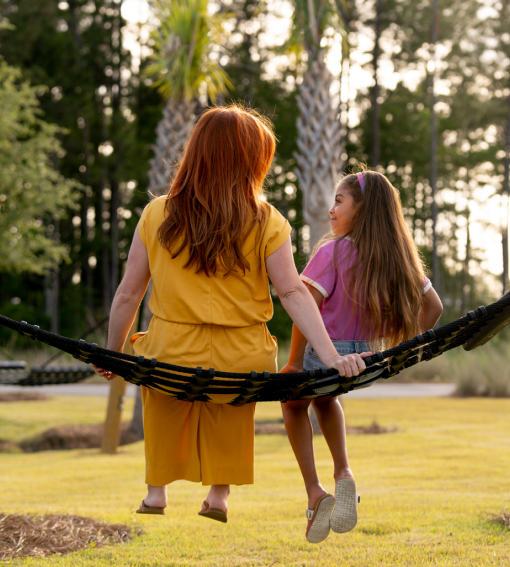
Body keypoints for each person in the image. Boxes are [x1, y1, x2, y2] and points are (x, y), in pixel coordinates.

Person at [92, 105, 369, 524]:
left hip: (174, 350)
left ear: (196, 152)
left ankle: (157, 490)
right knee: (232, 393)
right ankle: (218, 495)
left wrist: (112, 353)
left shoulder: (156, 213)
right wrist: (330, 356)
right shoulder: (266, 220)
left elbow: (129, 293)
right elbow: (293, 292)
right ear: (251, 162)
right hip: (243, 354)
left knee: (154, 365)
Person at [280, 168, 443, 543]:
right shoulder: (397, 259)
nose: (331, 211)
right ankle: (344, 473)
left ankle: (314, 491)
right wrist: (398, 347)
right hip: (362, 358)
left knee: (292, 404)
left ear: (362, 208)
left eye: (339, 201)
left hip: (326, 353)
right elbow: (432, 307)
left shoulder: (333, 252)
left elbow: (304, 308)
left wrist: (293, 362)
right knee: (325, 397)